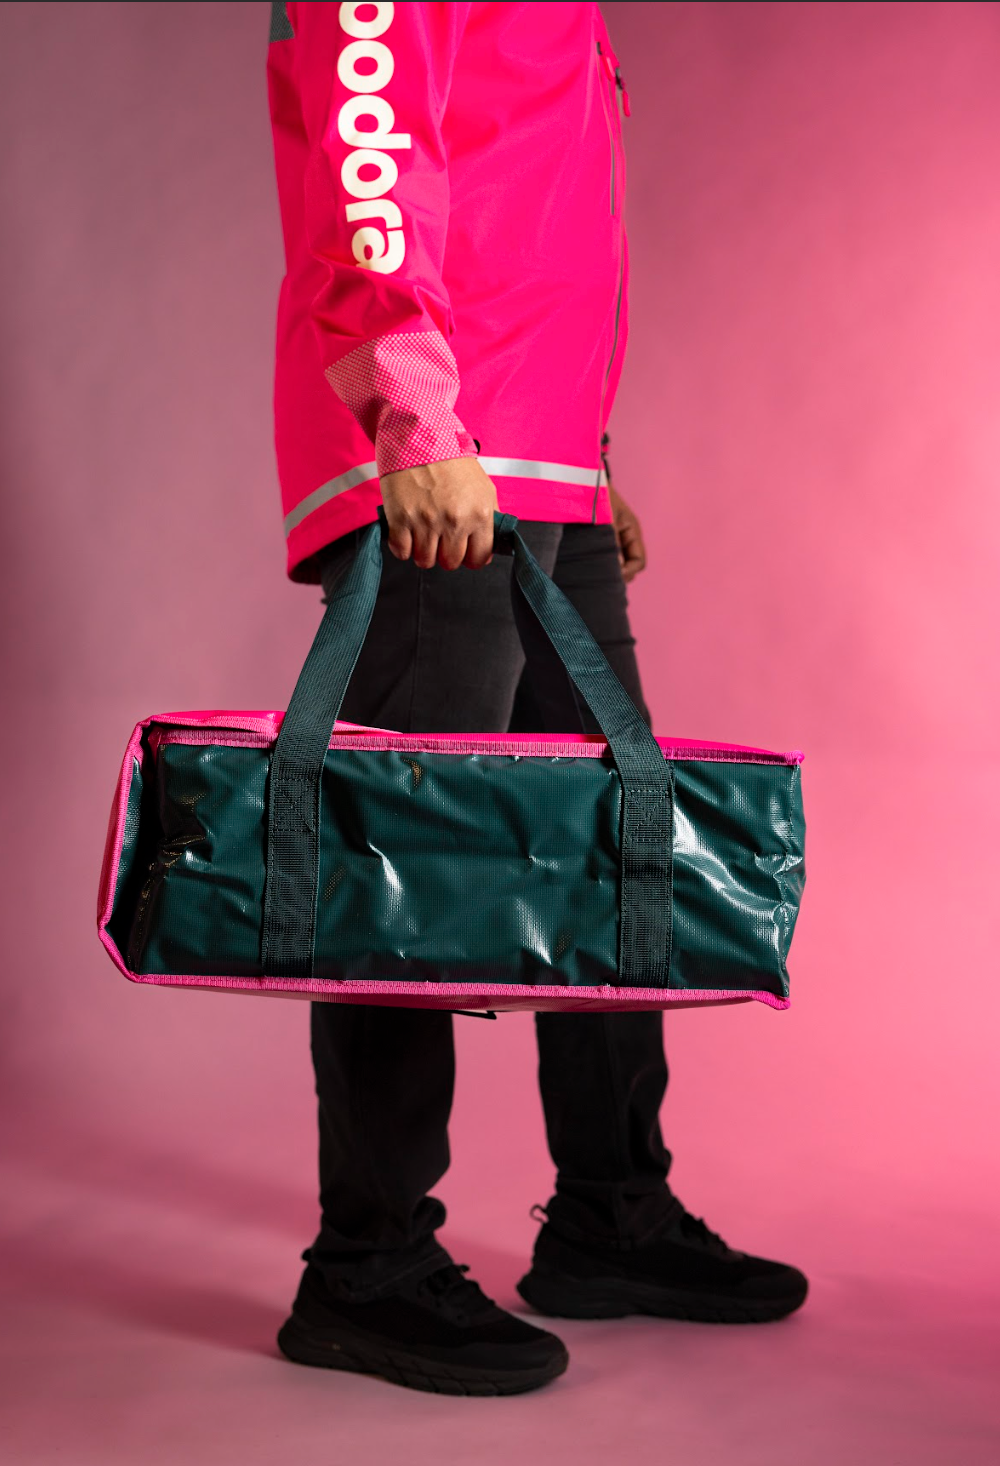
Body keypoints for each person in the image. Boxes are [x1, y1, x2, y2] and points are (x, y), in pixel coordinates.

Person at [265, 1, 807, 1395]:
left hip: (540, 456)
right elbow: (368, 147)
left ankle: (611, 1211)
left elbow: (536, 198)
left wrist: (586, 452)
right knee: (407, 852)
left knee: (612, 839)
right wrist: (414, 413)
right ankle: (366, 1263)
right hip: (444, 450)